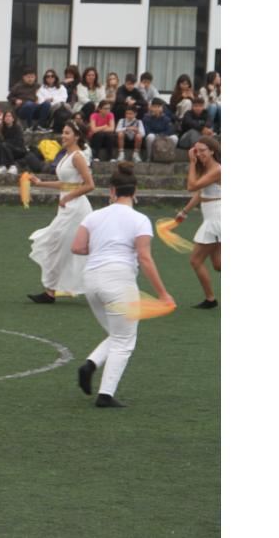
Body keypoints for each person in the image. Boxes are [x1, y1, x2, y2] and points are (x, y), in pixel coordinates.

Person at [71, 162, 174, 408]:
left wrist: (99, 247)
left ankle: (90, 365)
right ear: (135, 192)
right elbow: (145, 258)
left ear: (111, 191)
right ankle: (105, 394)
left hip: (91, 280)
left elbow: (77, 247)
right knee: (125, 340)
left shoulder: (93, 216)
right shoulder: (140, 220)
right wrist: (163, 294)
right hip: (118, 281)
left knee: (117, 334)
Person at [27, 121, 95, 303]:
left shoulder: (78, 156)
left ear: (77, 136)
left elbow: (90, 185)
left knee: (62, 247)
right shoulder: (67, 155)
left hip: (76, 209)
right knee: (57, 246)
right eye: (63, 132)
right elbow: (66, 183)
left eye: (67, 133)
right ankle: (50, 291)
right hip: (67, 208)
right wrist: (41, 183)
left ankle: (53, 291)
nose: (63, 136)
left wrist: (67, 197)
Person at [176, 136, 221, 309]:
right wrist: (185, 212)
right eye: (197, 150)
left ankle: (210, 299)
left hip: (217, 217)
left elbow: (192, 187)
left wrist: (192, 163)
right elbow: (201, 193)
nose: (199, 153)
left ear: (212, 151)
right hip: (213, 216)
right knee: (218, 265)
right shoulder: (209, 169)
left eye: (203, 150)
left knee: (196, 260)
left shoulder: (217, 169)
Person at [0, 110, 27, 175]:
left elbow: (18, 142)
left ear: (13, 118)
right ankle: (1, 166)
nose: (7, 118)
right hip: (6, 148)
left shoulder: (17, 128)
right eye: (6, 116)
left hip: (18, 150)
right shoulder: (2, 128)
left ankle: (13, 166)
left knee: (4, 144)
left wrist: (5, 143)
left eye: (9, 116)